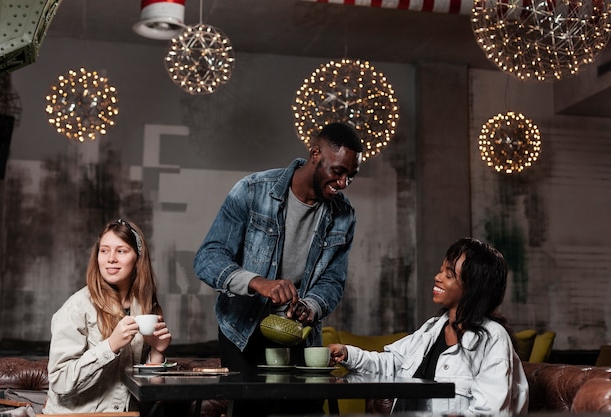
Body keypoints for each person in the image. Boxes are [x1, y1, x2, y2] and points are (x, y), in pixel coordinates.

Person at [193, 122, 363, 415]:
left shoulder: (344, 215)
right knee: (252, 411)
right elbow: (208, 258)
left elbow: (334, 281)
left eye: (351, 176)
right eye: (338, 171)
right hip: (242, 332)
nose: (344, 183)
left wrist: (309, 306)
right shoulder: (251, 191)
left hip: (299, 333)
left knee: (307, 411)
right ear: (315, 155)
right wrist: (259, 282)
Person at [329, 237, 529, 415]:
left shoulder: (493, 338)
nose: (437, 277)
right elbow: (392, 363)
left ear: (473, 288)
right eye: (441, 270)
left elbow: (493, 411)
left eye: (449, 275)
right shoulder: (433, 328)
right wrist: (348, 354)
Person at [43, 218, 171, 414]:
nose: (110, 258)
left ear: (137, 258)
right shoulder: (76, 308)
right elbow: (59, 382)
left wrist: (157, 352)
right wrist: (110, 346)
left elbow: (149, 395)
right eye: (104, 250)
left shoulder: (147, 308)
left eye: (121, 251)